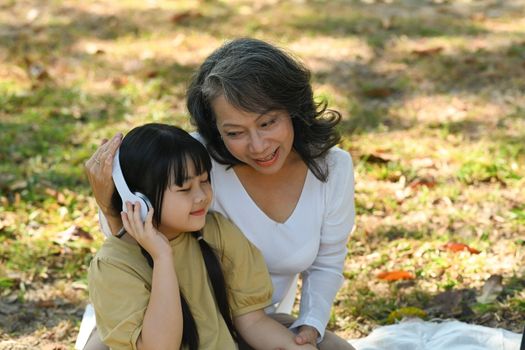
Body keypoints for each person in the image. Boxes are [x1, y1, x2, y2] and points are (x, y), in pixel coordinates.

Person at [85, 38, 355, 350]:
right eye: (235, 133)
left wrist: (312, 322)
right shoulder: (194, 160)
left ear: (293, 110)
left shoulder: (333, 168)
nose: (258, 146)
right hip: (154, 320)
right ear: (215, 130)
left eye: (267, 123)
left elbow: (327, 261)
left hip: (247, 318)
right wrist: (109, 204)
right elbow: (132, 236)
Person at [88, 123, 317, 350]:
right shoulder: (113, 265)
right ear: (139, 200)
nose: (201, 196)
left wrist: (294, 348)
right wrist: (162, 257)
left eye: (204, 180)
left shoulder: (215, 231)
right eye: (184, 189)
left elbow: (252, 320)